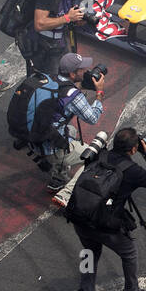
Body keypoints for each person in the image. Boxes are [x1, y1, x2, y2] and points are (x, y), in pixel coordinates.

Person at [71, 127, 146, 291]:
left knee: (89, 252)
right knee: (129, 252)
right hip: (104, 222)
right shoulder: (132, 171)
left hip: (80, 215)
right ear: (133, 150)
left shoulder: (101, 154)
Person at [43, 52, 106, 202]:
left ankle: (57, 179)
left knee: (70, 130)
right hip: (49, 147)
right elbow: (92, 118)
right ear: (72, 74)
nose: (86, 71)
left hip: (34, 136)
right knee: (96, 157)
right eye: (82, 69)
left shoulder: (49, 79)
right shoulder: (73, 95)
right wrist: (99, 93)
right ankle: (65, 195)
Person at [20, 0, 85, 79]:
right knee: (49, 80)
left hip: (59, 42)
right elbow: (39, 24)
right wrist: (67, 18)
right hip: (43, 47)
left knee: (68, 72)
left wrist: (77, 19)